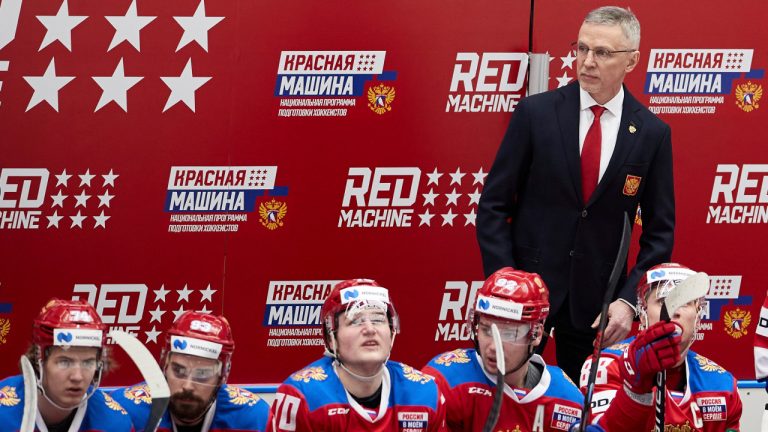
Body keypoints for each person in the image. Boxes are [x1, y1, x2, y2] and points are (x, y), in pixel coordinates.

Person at [476, 5, 675, 382]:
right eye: (581, 48)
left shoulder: (651, 133)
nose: (586, 61)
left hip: (597, 308)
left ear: (632, 60)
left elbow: (659, 236)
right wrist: (505, 285)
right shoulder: (536, 114)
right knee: (501, 400)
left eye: (602, 53)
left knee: (578, 412)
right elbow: (492, 208)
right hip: (521, 299)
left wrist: (628, 301)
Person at [578, 263, 741, 431]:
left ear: (698, 315)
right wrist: (635, 392)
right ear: (642, 315)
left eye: (685, 303)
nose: (673, 311)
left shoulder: (722, 383)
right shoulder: (605, 365)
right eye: (663, 301)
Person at [268, 278, 446, 431]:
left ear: (391, 331)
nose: (370, 329)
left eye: (378, 319)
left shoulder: (424, 391)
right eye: (356, 320)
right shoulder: (303, 396)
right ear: (331, 338)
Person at [424, 267, 584, 431]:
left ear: (536, 334)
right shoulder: (445, 381)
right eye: (487, 330)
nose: (493, 346)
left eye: (509, 334)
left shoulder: (567, 400)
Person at [111, 311, 269, 432]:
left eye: (202, 374)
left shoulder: (254, 419)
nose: (187, 386)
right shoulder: (123, 411)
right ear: (164, 367)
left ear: (222, 376)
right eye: (178, 370)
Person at [0, 298, 134, 431]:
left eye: (88, 362)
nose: (77, 377)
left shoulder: (113, 423)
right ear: (39, 362)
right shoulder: (3, 416)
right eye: (64, 362)